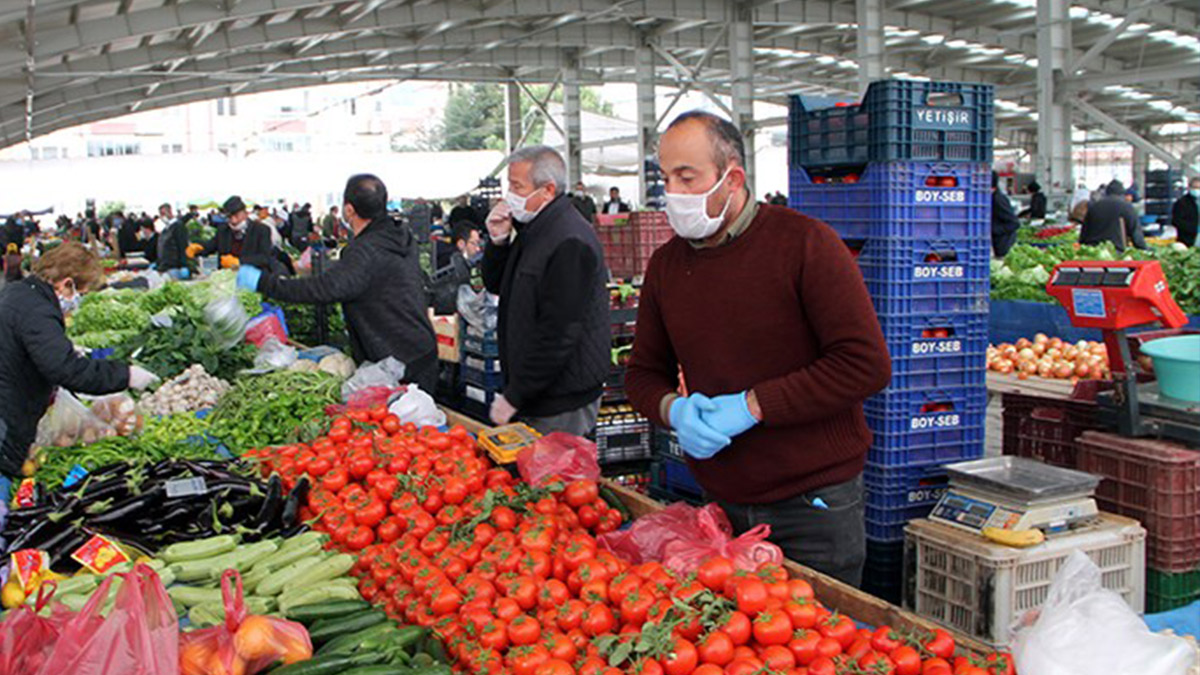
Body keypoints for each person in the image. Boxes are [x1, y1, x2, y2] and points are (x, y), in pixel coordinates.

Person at [624, 111, 892, 586]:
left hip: (814, 505)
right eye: (666, 178)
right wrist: (674, 410)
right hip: (721, 503)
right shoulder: (667, 267)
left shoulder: (806, 245)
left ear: (733, 178)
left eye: (688, 177)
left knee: (817, 645)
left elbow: (864, 364)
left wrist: (754, 407)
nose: (674, 193)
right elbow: (643, 373)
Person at [236, 174, 438, 393]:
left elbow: (322, 289)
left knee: (407, 422)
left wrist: (264, 283)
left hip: (397, 362)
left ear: (349, 210)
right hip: (419, 349)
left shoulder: (366, 250)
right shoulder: (398, 235)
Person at [0, 242, 157, 479]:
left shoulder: (20, 292)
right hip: (7, 415)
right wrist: (126, 375)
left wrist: (62, 349)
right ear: (66, 283)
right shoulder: (37, 309)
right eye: (80, 293)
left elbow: (26, 346)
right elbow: (66, 370)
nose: (76, 302)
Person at [482, 146, 610, 435]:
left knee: (557, 475)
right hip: (536, 392)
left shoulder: (569, 240)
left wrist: (515, 395)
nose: (508, 195)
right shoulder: (534, 230)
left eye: (517, 186)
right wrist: (499, 241)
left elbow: (559, 332)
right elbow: (496, 284)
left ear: (548, 190)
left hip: (561, 399)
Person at [188, 196, 278, 271]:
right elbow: (211, 246)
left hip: (252, 277)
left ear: (245, 213)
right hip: (226, 279)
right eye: (229, 217)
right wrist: (198, 248)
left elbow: (264, 258)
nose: (233, 221)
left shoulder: (261, 230)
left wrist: (239, 262)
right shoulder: (223, 230)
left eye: (236, 216)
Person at [1081, 180, 1147, 252]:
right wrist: (1145, 249)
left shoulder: (1094, 206)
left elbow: (1083, 235)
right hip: (1115, 252)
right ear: (1122, 193)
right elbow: (1136, 236)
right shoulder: (1126, 207)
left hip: (1092, 251)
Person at [432, 222, 482, 315]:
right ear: (461, 244)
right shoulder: (457, 264)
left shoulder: (441, 256)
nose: (477, 249)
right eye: (474, 243)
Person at [991, 172, 1021, 258]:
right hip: (999, 243)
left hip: (1003, 244)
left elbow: (1014, 223)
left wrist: (994, 230)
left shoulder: (998, 200)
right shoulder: (993, 197)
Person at [1170, 177, 1199, 248]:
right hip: (1187, 240)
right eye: (1195, 187)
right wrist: (1194, 229)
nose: (1197, 190)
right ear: (1189, 188)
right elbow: (1176, 221)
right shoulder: (1182, 203)